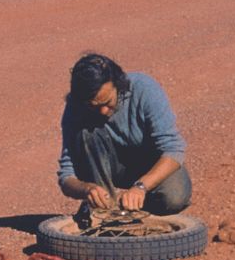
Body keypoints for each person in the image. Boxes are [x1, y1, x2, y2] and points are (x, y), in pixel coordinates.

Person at [56, 53, 191, 214]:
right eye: (93, 106)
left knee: (174, 197)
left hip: (149, 163)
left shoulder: (144, 89)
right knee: (86, 132)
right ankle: (103, 207)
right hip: (107, 166)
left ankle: (134, 208)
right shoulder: (76, 106)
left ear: (119, 84)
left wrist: (140, 187)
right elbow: (67, 175)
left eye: (107, 103)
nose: (103, 111)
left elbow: (173, 150)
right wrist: (86, 189)